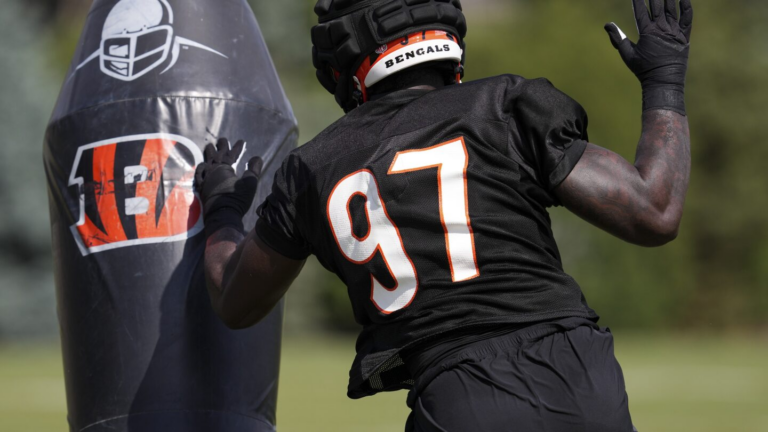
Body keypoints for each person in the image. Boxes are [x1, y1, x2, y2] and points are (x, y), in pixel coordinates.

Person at [194, 0, 693, 430]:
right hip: (583, 381)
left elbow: (236, 300)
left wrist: (222, 210)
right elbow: (654, 211)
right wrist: (664, 81)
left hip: (461, 397)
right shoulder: (505, 106)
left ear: (341, 55)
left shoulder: (314, 167)